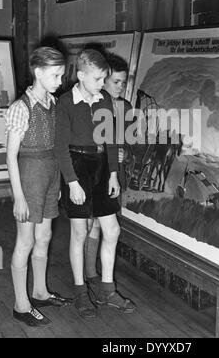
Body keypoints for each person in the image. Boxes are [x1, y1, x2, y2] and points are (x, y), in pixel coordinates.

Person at [55, 49, 135, 320]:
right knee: (79, 232)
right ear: (81, 76)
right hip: (77, 168)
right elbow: (60, 148)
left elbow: (111, 141)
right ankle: (80, 292)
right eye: (99, 79)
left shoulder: (103, 102)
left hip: (101, 167)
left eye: (104, 79)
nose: (102, 84)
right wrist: (72, 183)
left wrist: (113, 174)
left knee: (111, 230)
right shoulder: (65, 103)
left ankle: (107, 289)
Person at [5, 46, 72, 328]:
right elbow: (11, 156)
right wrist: (19, 197)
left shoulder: (53, 103)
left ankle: (40, 291)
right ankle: (21, 305)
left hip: (50, 174)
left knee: (44, 237)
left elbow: (55, 147)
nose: (59, 80)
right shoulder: (21, 107)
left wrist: (56, 185)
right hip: (30, 174)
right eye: (55, 75)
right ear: (38, 72)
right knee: (26, 241)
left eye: (61, 75)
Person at [84, 54, 136, 314]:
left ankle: (97, 281)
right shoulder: (93, 105)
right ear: (103, 80)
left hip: (113, 175)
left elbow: (128, 141)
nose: (120, 87)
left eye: (123, 83)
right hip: (94, 173)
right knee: (93, 225)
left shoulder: (125, 108)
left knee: (107, 226)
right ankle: (91, 276)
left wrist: (124, 153)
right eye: (115, 81)